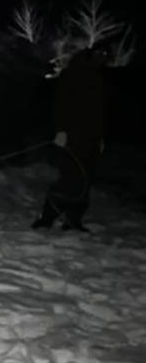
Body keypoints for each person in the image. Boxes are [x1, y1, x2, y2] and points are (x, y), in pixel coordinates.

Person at [31, 43, 111, 232]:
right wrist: (61, 131)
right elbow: (60, 103)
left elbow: (101, 112)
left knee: (85, 180)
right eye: (100, 53)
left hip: (90, 139)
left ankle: (74, 220)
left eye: (106, 55)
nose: (103, 57)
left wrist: (100, 137)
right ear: (91, 54)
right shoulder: (73, 73)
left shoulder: (101, 78)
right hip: (71, 136)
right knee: (69, 178)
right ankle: (47, 217)